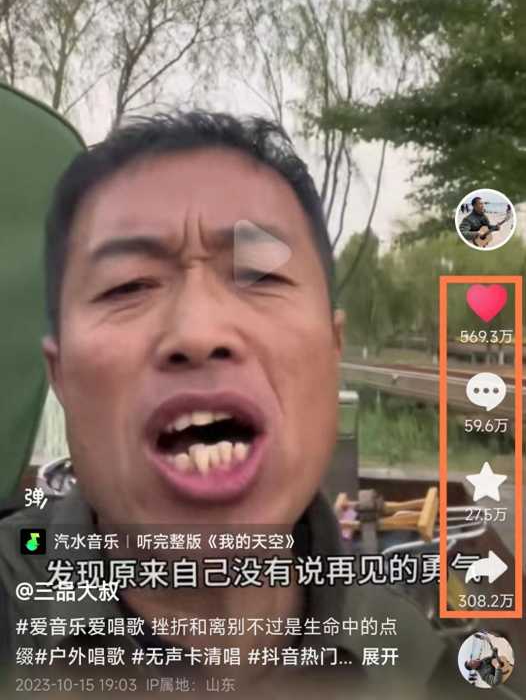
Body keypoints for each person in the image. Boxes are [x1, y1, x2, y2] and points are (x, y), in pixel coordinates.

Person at [0, 113, 475, 698]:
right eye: (128, 285)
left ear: (332, 352)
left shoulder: (420, 665)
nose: (198, 332)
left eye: (261, 276)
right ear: (61, 375)